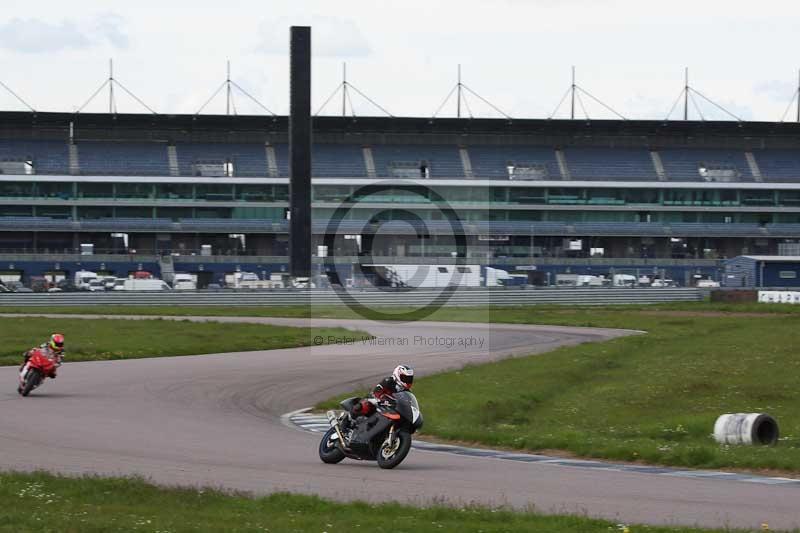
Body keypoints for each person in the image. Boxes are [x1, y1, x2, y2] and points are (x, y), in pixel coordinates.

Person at [346, 364, 414, 424]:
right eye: (405, 378)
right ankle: (349, 419)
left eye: (409, 379)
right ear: (397, 375)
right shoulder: (388, 381)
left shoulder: (406, 390)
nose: (407, 381)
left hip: (390, 409)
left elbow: (408, 403)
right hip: (377, 404)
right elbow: (375, 393)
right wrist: (379, 400)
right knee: (364, 404)